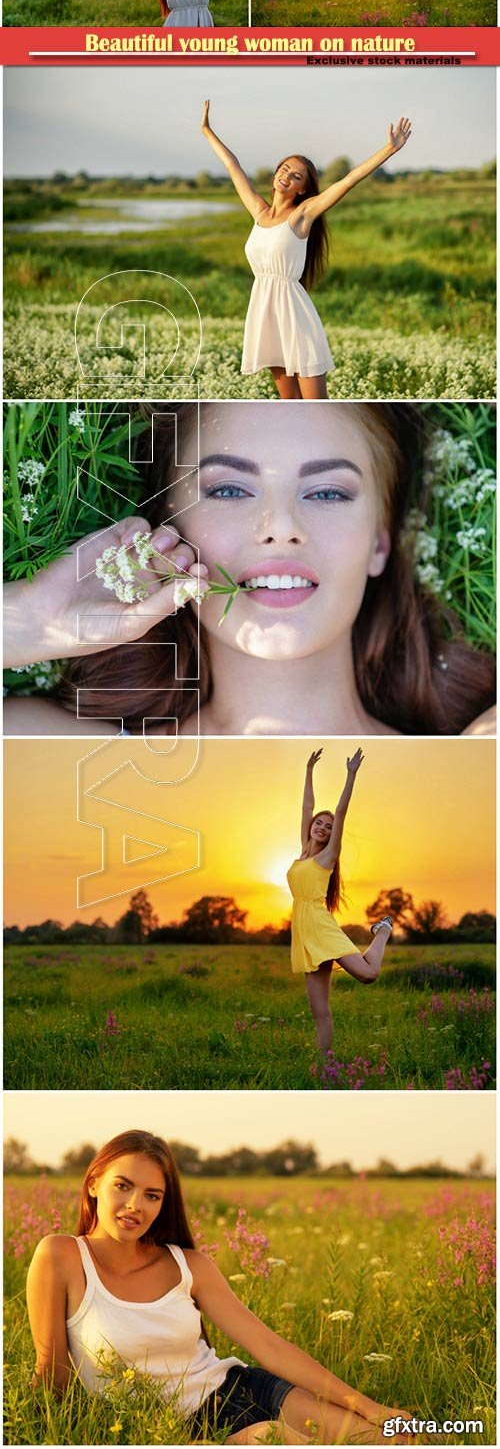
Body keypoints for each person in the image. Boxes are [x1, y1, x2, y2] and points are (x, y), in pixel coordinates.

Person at [3, 403, 495, 741]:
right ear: (169, 526)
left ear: (379, 542)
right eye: (230, 491)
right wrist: (29, 621)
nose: (280, 528)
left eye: (327, 493)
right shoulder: (59, 755)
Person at [26, 1128, 409, 1443]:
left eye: (152, 1195)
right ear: (94, 1184)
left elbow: (268, 1346)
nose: (135, 1205)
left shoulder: (188, 1265)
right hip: (179, 1431)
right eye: (122, 1186)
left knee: (399, 1436)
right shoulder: (60, 1256)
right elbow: (54, 1375)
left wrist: (370, 1408)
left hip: (242, 1390)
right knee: (271, 1438)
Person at [201, 98, 411, 398]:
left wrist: (389, 149)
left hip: (294, 318)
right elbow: (232, 166)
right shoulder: (259, 213)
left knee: (316, 406)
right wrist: (207, 130)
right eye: (285, 169)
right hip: (265, 315)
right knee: (289, 404)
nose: (287, 175)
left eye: (296, 175)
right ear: (276, 174)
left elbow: (348, 180)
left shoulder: (303, 215)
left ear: (302, 189)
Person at [288, 748, 392, 1052]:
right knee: (319, 1012)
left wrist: (351, 774)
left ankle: (382, 931)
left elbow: (341, 811)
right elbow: (307, 805)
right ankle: (325, 1067)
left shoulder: (327, 857)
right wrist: (308, 769)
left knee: (368, 974)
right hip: (305, 933)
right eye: (318, 823)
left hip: (321, 926)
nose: (321, 827)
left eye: (327, 826)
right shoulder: (303, 853)